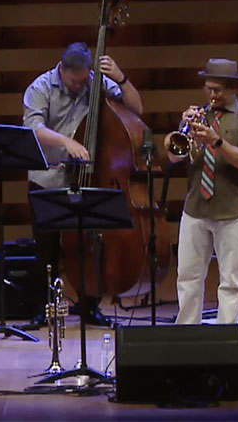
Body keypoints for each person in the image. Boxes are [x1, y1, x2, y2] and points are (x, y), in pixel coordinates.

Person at [21, 42, 144, 329]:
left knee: (90, 245)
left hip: (89, 176)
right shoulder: (40, 87)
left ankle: (89, 307)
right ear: (61, 70)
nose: (80, 85)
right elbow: (33, 128)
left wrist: (121, 78)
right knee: (47, 246)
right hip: (48, 178)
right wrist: (67, 142)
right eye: (74, 80)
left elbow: (136, 109)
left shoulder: (93, 83)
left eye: (84, 79)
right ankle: (44, 307)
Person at [169, 59, 238, 325]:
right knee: (187, 277)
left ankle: (225, 339)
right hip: (196, 208)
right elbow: (174, 156)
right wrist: (183, 127)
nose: (212, 95)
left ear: (232, 87)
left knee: (231, 284)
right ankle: (186, 335)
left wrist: (216, 141)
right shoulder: (198, 115)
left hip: (234, 210)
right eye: (209, 88)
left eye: (218, 90)